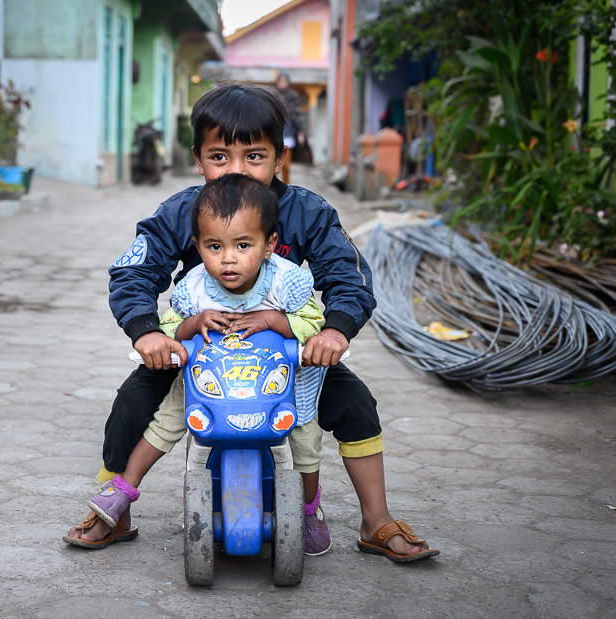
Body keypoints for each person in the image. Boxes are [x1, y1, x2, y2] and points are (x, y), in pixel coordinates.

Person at [64, 82, 438, 563]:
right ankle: (115, 511)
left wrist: (334, 330)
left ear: (280, 159)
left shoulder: (307, 211)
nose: (236, 170)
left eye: (254, 156)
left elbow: (349, 275)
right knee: (134, 401)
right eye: (219, 156)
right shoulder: (183, 211)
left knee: (355, 403)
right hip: (202, 347)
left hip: (283, 352)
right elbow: (134, 270)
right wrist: (148, 332)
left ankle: (376, 519)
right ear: (198, 159)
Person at [71, 173, 333, 555]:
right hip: (212, 377)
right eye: (214, 246)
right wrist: (192, 325)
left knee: (305, 436)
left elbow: (314, 323)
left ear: (269, 244)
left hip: (276, 377)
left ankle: (308, 510)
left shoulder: (286, 281)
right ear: (197, 245)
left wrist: (276, 321)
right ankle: (124, 489)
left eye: (243, 245)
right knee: (169, 417)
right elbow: (171, 327)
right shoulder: (194, 286)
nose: (228, 258)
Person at [274, 73, 308, 183]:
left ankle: (286, 185)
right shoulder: (273, 94)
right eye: (281, 81)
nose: (282, 83)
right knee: (273, 162)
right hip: (275, 132)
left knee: (286, 164)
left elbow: (297, 115)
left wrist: (300, 132)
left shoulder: (293, 95)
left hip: (289, 132)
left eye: (285, 81)